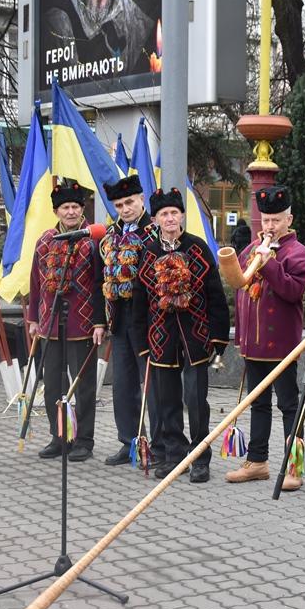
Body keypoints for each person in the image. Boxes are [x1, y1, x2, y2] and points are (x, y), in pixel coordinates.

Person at [131, 188, 230, 483]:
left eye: (175, 213)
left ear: (182, 216)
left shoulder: (198, 248)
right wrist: (142, 345)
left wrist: (218, 338)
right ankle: (175, 456)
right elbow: (139, 303)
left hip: (197, 337)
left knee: (196, 399)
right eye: (164, 214)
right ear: (155, 219)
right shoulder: (147, 253)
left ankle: (200, 458)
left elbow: (216, 297)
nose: (170, 218)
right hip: (160, 338)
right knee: (167, 401)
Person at [226, 185, 305, 491]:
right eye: (266, 220)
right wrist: (241, 339)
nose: (271, 227)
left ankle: (294, 466)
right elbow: (241, 294)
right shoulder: (250, 249)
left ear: (289, 219)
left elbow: (293, 291)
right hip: (254, 346)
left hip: (283, 347)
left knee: (290, 406)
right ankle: (257, 461)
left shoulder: (297, 253)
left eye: (277, 220)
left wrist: (270, 263)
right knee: (258, 404)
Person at [26, 178, 106, 463]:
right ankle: (59, 436)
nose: (70, 212)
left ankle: (84, 440)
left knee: (83, 387)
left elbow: (100, 284)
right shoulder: (45, 241)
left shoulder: (94, 240)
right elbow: (36, 282)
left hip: (82, 326)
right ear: (56, 212)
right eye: (65, 208)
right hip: (49, 325)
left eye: (75, 206)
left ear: (82, 209)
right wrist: (33, 317)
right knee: (53, 384)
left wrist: (100, 321)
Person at [99, 175, 160, 467]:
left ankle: (160, 444)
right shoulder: (112, 234)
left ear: (142, 200)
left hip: (148, 321)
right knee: (123, 386)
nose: (125, 209)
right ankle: (131, 441)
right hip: (120, 320)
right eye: (119, 204)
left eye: (130, 202)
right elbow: (105, 278)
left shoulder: (155, 233)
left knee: (154, 386)